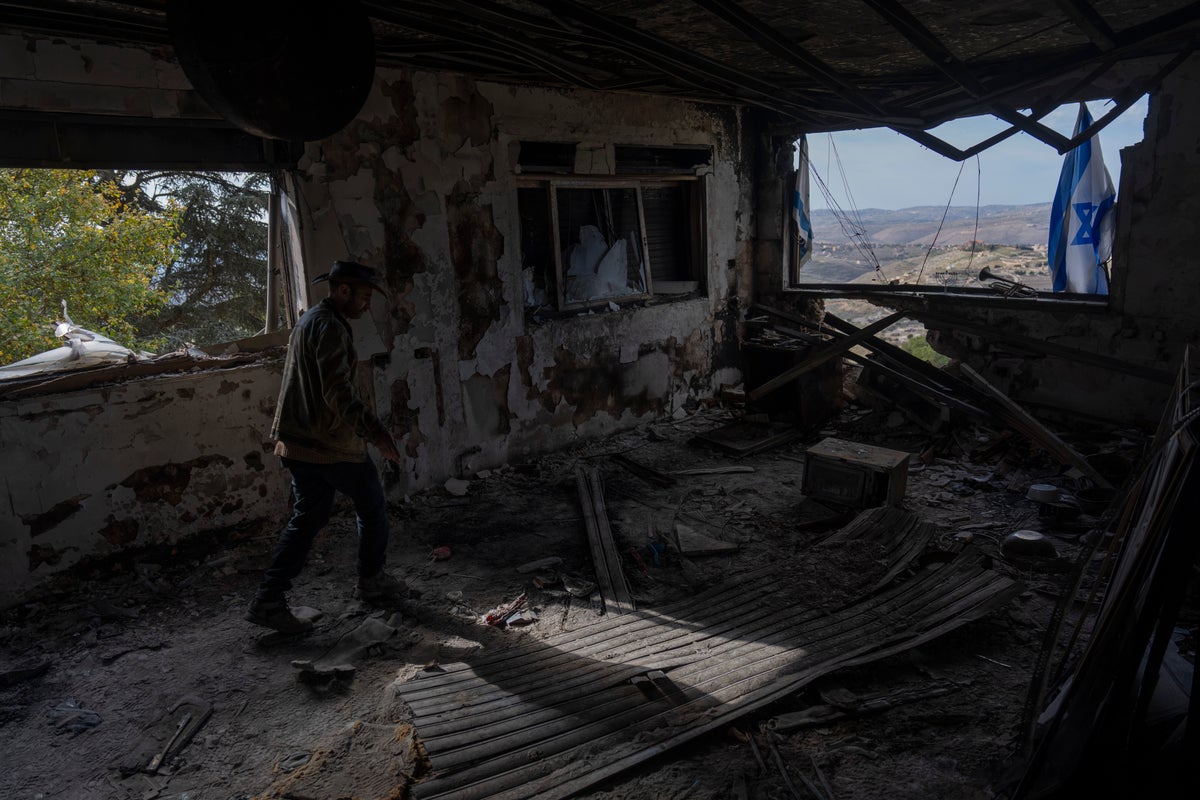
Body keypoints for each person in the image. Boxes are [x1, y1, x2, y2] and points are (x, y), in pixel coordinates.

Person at [246, 260, 408, 634]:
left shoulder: (311, 319)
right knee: (372, 504)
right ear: (344, 291)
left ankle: (269, 599)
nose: (368, 305)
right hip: (327, 444)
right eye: (365, 296)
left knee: (309, 517)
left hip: (298, 440)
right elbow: (338, 393)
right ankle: (371, 582)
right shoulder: (330, 327)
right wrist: (377, 434)